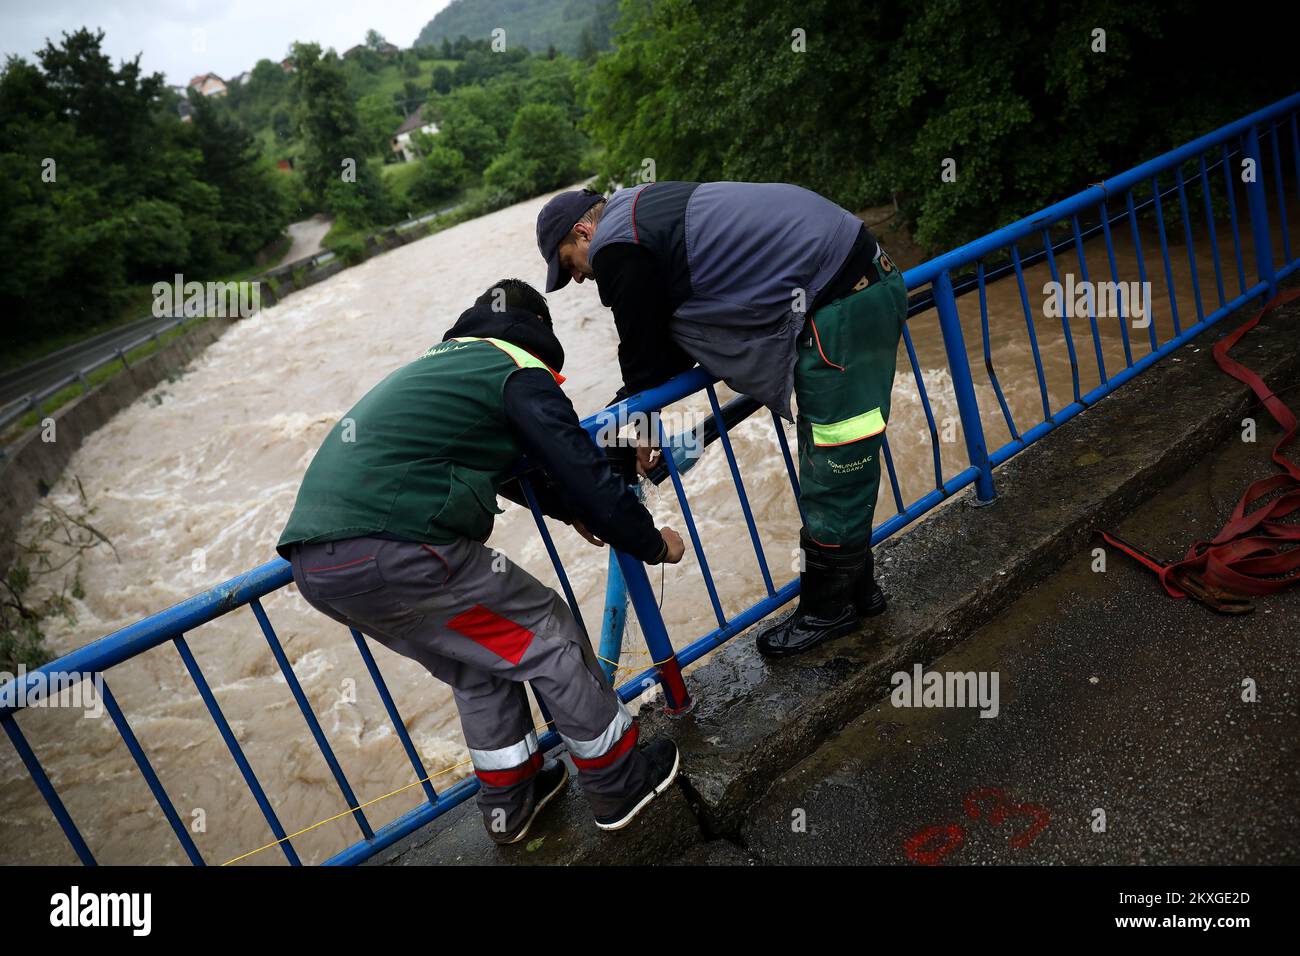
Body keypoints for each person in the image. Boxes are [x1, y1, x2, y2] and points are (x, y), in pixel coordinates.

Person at [275, 279, 685, 846]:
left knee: (478, 662)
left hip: (317, 565)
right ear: (539, 329)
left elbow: (508, 463)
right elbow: (575, 461)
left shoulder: (445, 365)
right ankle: (621, 783)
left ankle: (510, 805)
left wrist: (570, 513)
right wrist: (652, 542)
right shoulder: (515, 363)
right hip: (394, 545)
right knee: (546, 634)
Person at [535, 182, 908, 657]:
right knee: (842, 451)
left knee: (835, 462)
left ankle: (827, 610)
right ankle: (859, 590)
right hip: (858, 282)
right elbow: (660, 345)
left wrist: (638, 423)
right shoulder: (642, 206)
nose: (582, 280)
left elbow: (645, 357)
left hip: (837, 306)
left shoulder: (616, 245)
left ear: (584, 231)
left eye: (570, 265)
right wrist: (641, 415)